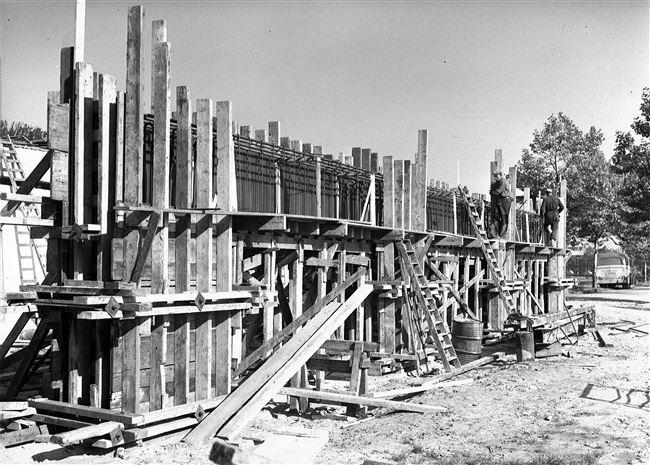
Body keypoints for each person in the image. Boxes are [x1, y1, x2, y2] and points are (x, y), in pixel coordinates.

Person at [489, 169, 511, 239]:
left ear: (501, 175)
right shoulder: (496, 183)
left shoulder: (503, 182)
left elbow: (497, 192)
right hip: (499, 200)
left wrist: (492, 192)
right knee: (495, 216)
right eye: (494, 176)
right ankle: (494, 234)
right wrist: (493, 191)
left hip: (505, 200)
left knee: (504, 217)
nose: (495, 178)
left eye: (497, 176)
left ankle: (503, 235)